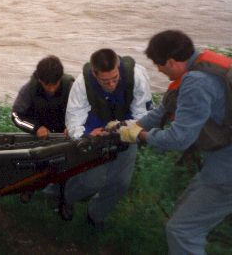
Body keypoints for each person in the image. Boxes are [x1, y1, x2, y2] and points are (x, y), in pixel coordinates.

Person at [119, 30, 232, 254]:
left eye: (158, 65)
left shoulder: (196, 82)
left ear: (171, 61)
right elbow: (162, 111)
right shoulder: (200, 64)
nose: (158, 70)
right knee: (182, 214)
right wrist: (132, 126)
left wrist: (141, 136)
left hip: (226, 169)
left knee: (183, 230)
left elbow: (178, 139)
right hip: (219, 164)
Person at [62, 48, 152, 229]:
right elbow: (73, 117)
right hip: (95, 134)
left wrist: (122, 128)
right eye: (105, 81)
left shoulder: (137, 76)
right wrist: (85, 136)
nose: (111, 84)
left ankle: (95, 215)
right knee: (90, 182)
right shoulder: (82, 83)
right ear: (95, 75)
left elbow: (144, 114)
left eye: (114, 79)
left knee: (120, 183)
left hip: (126, 133)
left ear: (118, 67)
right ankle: (65, 199)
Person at [12, 55, 74, 139]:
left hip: (68, 135)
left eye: (55, 84)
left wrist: (74, 126)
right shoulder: (29, 89)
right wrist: (36, 128)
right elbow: (16, 115)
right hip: (41, 136)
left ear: (60, 78)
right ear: (40, 80)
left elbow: (85, 111)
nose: (52, 89)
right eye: (47, 85)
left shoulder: (71, 87)